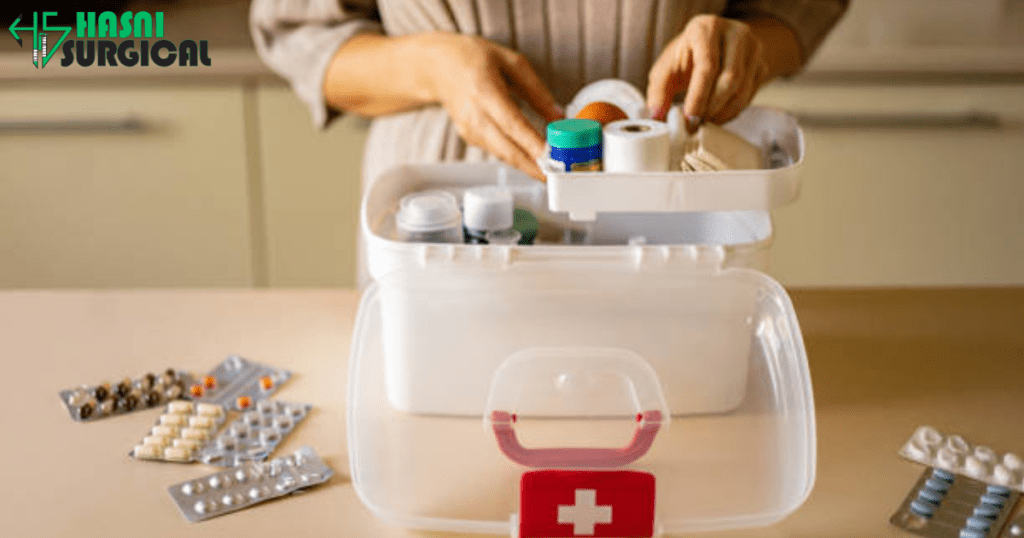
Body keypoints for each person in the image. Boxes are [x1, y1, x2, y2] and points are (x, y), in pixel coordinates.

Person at [252, 0, 846, 184]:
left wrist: (747, 49)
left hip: (672, 209)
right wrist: (436, 67)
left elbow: (797, 10)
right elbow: (301, 35)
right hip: (442, 218)